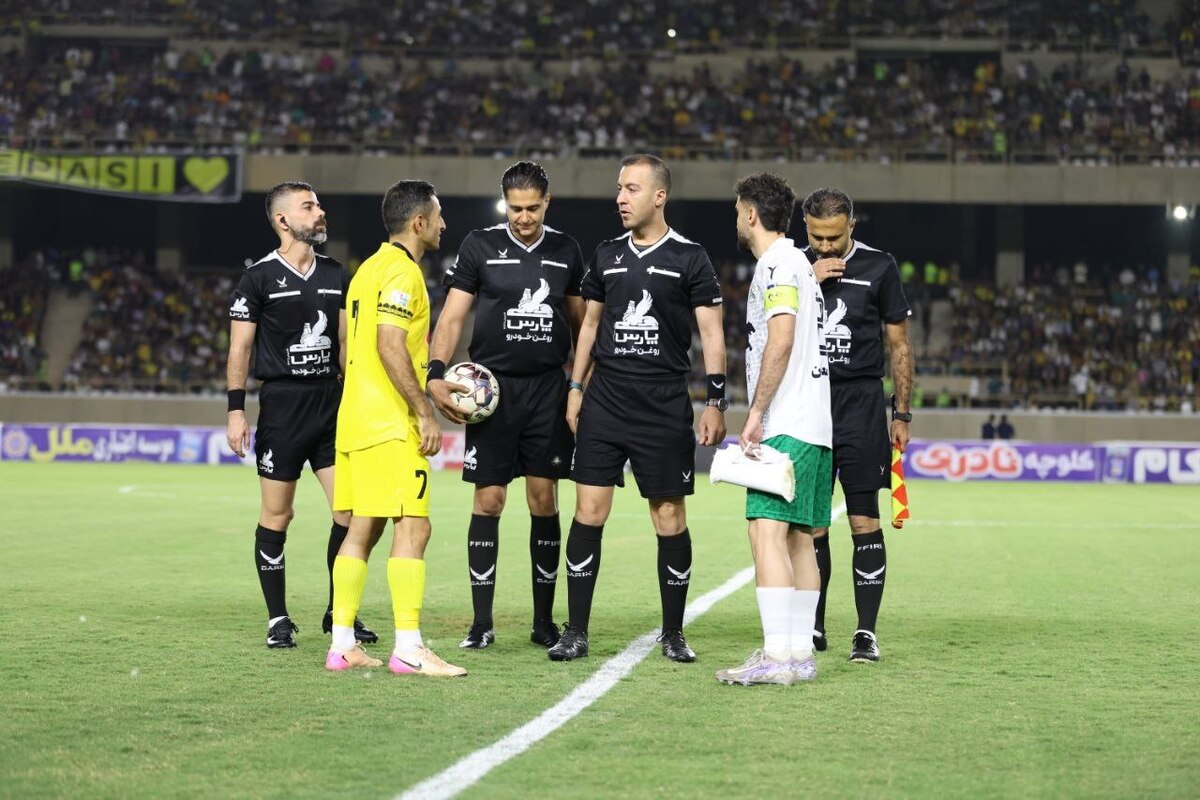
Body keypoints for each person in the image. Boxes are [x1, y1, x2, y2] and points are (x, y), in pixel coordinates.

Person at [549, 153, 727, 663]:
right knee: (589, 511)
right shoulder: (606, 254)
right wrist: (576, 388)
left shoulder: (691, 257)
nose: (620, 198)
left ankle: (673, 631)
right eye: (619, 188)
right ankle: (576, 631)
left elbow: (712, 334)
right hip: (605, 401)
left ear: (659, 196)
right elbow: (588, 326)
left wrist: (715, 400)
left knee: (668, 516)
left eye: (631, 188)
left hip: (664, 404)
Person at [426, 161, 585, 650]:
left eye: (532, 208)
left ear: (547, 203)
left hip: (547, 391)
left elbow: (583, 327)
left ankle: (543, 622)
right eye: (515, 208)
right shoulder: (479, 246)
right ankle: (481, 623)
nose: (523, 217)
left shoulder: (566, 250)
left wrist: (579, 386)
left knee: (543, 498)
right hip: (490, 393)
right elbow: (452, 317)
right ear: (505, 204)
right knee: (488, 499)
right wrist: (435, 370)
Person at [226, 181, 376, 650]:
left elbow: (349, 342)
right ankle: (278, 619)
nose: (320, 212)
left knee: (349, 514)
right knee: (279, 513)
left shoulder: (337, 274)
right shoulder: (258, 278)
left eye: (319, 204)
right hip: (283, 407)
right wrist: (236, 412)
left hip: (331, 405)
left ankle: (339, 613)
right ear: (283, 220)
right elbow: (240, 349)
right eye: (309, 207)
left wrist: (356, 395)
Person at [324, 179, 465, 677]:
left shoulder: (365, 271)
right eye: (439, 216)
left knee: (362, 527)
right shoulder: (404, 273)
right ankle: (408, 647)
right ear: (419, 223)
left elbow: (350, 346)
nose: (445, 225)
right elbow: (390, 345)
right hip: (390, 424)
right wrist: (423, 411)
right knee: (415, 527)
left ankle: (342, 644)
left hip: (356, 419)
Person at [715, 173, 832, 687]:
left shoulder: (779, 263)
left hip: (788, 423)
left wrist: (757, 412)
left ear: (750, 213)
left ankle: (779, 656)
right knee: (800, 539)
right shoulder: (800, 265)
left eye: (738, 209)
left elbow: (780, 338)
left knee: (766, 532)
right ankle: (800, 654)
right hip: (817, 426)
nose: (735, 217)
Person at [802, 187, 914, 664]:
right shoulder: (792, 265)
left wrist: (902, 413)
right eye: (815, 237)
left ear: (852, 226)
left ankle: (865, 632)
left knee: (864, 518)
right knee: (810, 524)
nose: (824, 246)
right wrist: (807, 278)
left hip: (861, 404)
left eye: (832, 237)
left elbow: (900, 347)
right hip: (807, 403)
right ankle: (813, 625)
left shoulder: (880, 267)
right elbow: (766, 324)